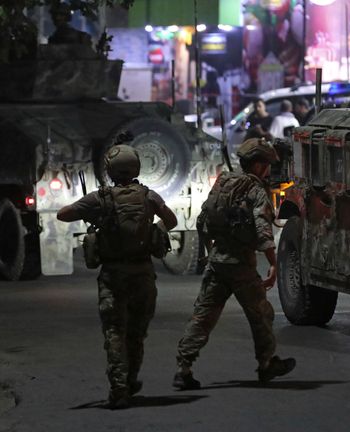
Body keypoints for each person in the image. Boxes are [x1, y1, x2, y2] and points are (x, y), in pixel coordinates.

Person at [57, 143, 177, 409]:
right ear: (136, 167)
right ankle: (131, 380)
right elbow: (172, 221)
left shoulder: (101, 198)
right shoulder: (149, 196)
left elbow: (63, 214)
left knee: (114, 332)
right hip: (144, 274)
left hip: (113, 275)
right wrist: (152, 227)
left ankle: (119, 388)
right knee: (136, 333)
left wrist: (95, 217)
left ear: (110, 170)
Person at [173, 138, 296, 390]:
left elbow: (203, 219)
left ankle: (183, 369)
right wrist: (273, 265)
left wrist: (209, 252)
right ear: (260, 164)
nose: (269, 170)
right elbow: (263, 230)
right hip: (241, 265)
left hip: (218, 262)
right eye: (267, 164)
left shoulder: (223, 182)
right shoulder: (255, 190)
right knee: (261, 314)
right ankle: (266, 364)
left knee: (203, 317)